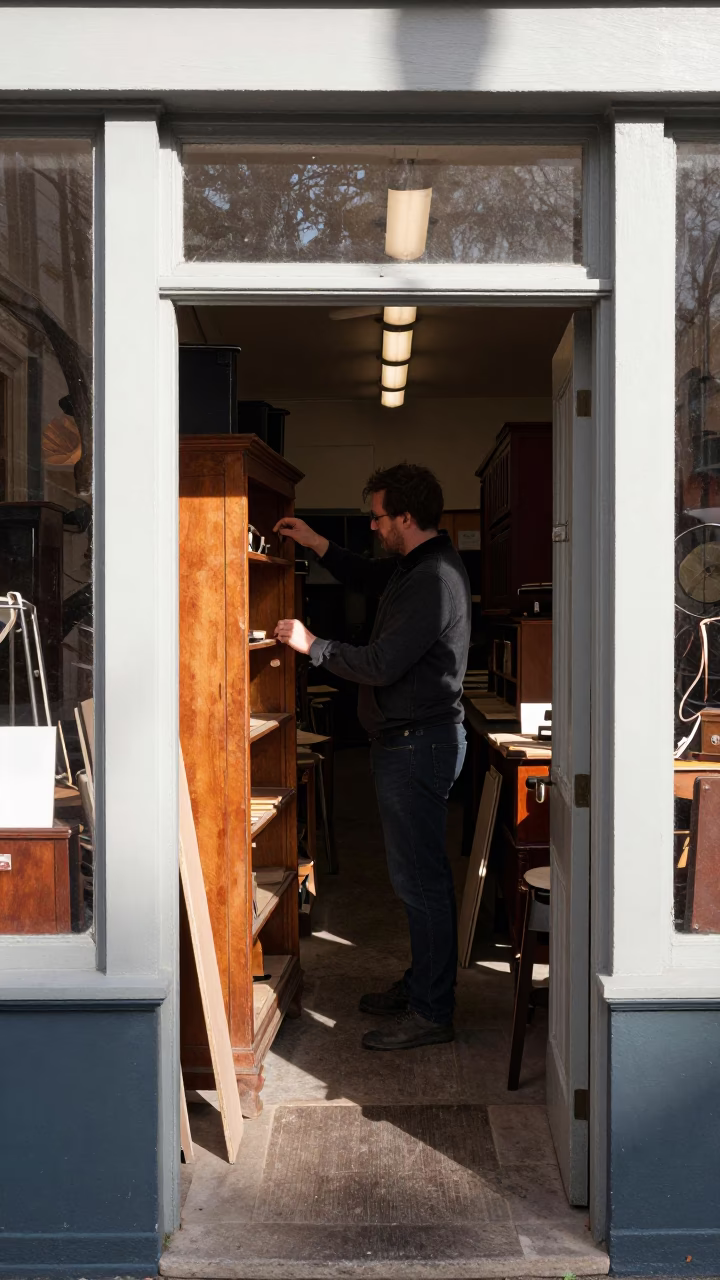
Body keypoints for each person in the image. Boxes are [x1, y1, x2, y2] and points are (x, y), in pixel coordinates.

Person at [273, 463, 471, 1052]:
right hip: (411, 743)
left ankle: (433, 1012)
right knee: (418, 880)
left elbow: (383, 663)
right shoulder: (416, 566)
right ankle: (422, 985)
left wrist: (315, 647)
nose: (374, 525)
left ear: (405, 518)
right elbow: (366, 573)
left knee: (423, 884)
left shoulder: (434, 579)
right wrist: (317, 543)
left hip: (417, 747)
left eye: (379, 516)